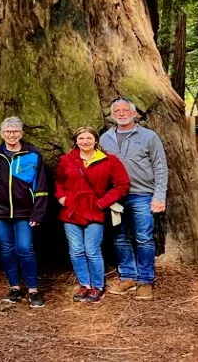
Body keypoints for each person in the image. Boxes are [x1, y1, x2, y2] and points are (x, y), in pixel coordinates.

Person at [99, 97, 168, 301]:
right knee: (120, 237)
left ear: (134, 113)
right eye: (117, 111)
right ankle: (127, 276)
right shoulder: (104, 139)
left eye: (125, 110)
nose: (121, 114)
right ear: (112, 114)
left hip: (142, 194)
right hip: (116, 197)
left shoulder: (148, 136)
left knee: (143, 237)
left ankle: (145, 280)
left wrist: (159, 196)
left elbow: (160, 167)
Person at [55, 126, 129, 304]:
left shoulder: (109, 160)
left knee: (92, 250)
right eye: (81, 139)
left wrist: (102, 202)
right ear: (76, 141)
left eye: (89, 138)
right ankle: (84, 284)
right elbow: (59, 181)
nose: (85, 142)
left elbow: (122, 185)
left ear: (96, 140)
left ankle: (97, 286)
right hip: (71, 211)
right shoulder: (67, 160)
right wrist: (62, 198)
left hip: (94, 210)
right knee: (76, 250)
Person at [0, 117, 49, 308]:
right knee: (6, 249)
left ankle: (33, 290)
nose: (11, 135)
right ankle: (14, 287)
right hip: (0, 211)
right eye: (7, 131)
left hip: (25, 211)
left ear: (21, 133)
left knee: (25, 248)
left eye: (15, 131)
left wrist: (37, 213)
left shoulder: (32, 154)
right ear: (1, 134)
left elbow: (41, 186)